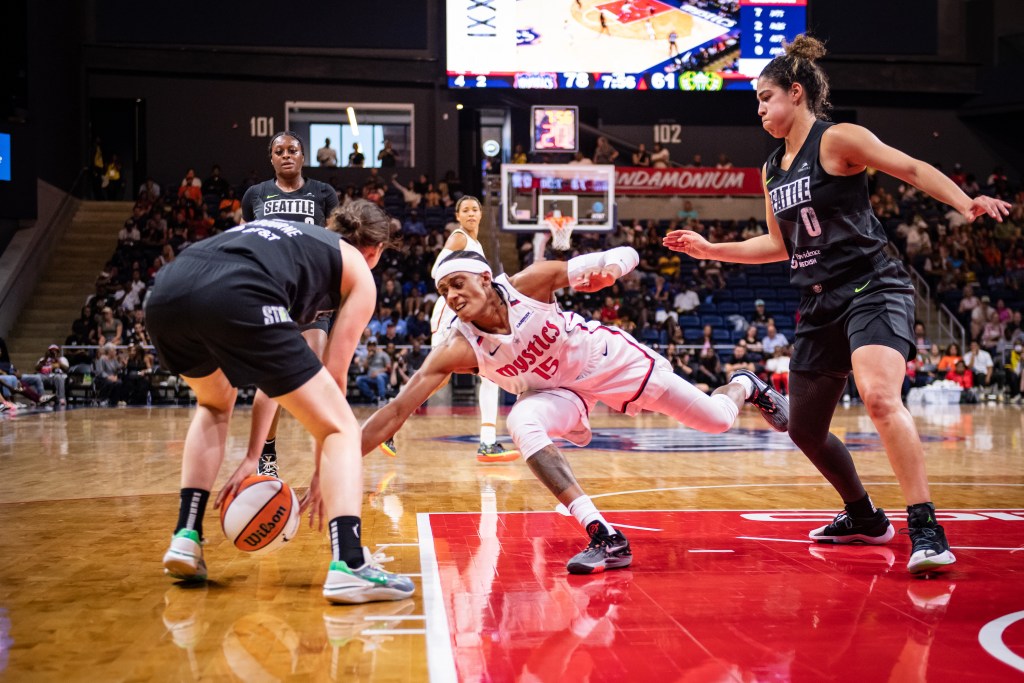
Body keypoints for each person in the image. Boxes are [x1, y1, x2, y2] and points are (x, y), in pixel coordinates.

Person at [663, 34, 1010, 574]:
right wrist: (712, 250)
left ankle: (926, 527)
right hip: (819, 300)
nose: (758, 109)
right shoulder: (772, 168)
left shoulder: (838, 139)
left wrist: (967, 203)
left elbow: (912, 168)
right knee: (802, 428)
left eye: (764, 98)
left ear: (795, 93)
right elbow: (778, 246)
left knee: (876, 395)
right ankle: (865, 518)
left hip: (872, 284)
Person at [361, 249, 787, 574]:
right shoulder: (457, 347)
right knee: (521, 420)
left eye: (458, 283)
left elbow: (626, 255)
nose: (452, 296)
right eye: (444, 290)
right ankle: (604, 535)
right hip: (558, 392)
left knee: (716, 419)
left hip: (605, 360)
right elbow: (397, 410)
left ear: (486, 279)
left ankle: (745, 385)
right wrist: (337, 459)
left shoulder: (533, 282)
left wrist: (610, 270)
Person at [148, 206, 413, 604]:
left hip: (168, 290)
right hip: (236, 290)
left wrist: (255, 454)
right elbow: (335, 378)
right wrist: (324, 471)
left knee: (215, 403)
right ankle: (350, 564)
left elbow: (274, 375)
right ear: (375, 250)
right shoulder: (357, 268)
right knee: (341, 425)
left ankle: (186, 536)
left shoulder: (291, 238)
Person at [240, 132, 342, 478]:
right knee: (273, 380)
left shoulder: (323, 193)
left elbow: (335, 241)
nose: (286, 156)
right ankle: (266, 453)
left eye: (292, 150)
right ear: (271, 159)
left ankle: (327, 452)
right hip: (272, 295)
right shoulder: (255, 195)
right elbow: (246, 241)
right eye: (279, 151)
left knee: (315, 372)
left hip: (314, 297)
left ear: (303, 156)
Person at [429, 196, 519, 462]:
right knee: (437, 375)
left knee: (490, 373)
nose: (470, 214)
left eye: (474, 210)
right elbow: (437, 272)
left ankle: (488, 442)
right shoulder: (458, 239)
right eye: (465, 210)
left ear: (481, 214)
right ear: (458, 216)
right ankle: (392, 420)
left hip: (469, 311)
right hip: (450, 310)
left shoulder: (477, 245)